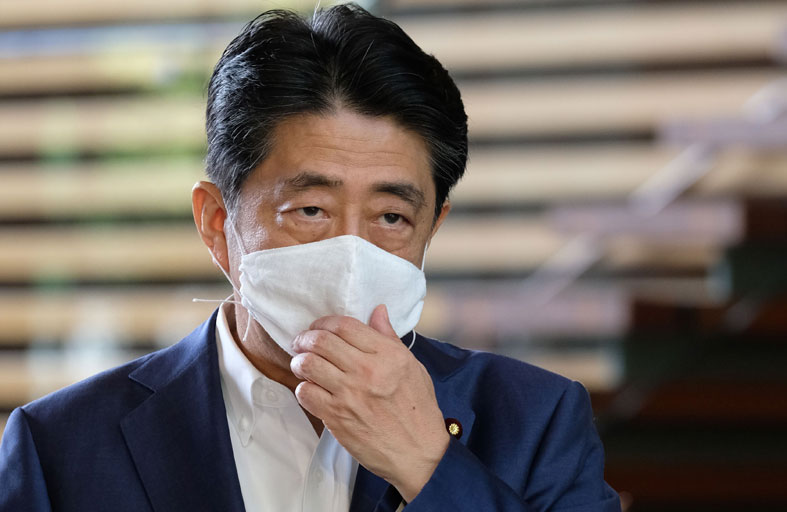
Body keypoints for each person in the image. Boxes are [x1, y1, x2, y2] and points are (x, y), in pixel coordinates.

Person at [0, 4, 621, 511]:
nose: (350, 252)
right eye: (311, 210)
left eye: (391, 217)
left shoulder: (536, 422)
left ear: (432, 227)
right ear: (216, 223)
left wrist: (427, 465)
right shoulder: (61, 446)